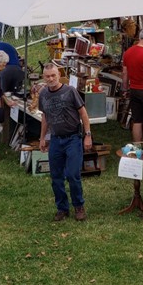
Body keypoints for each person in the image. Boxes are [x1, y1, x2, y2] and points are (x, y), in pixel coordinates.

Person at [38, 62, 92, 222]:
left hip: (73, 138)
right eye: (47, 76)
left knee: (73, 174)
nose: (51, 79)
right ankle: (62, 208)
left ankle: (78, 206)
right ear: (43, 77)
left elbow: (83, 113)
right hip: (55, 139)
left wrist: (87, 135)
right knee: (56, 177)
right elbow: (45, 118)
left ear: (59, 75)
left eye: (53, 75)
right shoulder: (43, 94)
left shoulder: (70, 91)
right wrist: (42, 138)